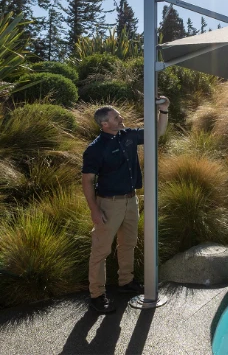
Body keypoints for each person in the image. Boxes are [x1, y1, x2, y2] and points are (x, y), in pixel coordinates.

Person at [81, 97, 170, 313]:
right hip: (108, 205)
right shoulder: (95, 149)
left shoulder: (127, 135)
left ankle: (125, 282)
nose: (121, 118)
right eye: (115, 117)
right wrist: (94, 210)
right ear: (105, 124)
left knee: (128, 243)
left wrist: (164, 111)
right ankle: (97, 295)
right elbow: (87, 181)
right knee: (101, 251)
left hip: (131, 200)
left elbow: (157, 133)